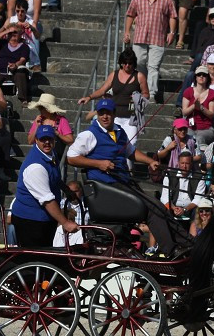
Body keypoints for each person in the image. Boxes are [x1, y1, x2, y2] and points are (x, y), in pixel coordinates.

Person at [66, 98, 188, 256]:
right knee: (151, 209)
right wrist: (98, 164)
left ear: (114, 114)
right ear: (97, 114)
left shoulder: (118, 131)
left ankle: (186, 242)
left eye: (108, 113)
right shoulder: (89, 135)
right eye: (101, 113)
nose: (105, 117)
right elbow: (71, 157)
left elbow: (130, 152)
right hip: (107, 188)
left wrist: (150, 161)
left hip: (123, 184)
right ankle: (171, 250)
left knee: (159, 206)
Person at [11, 124, 77, 246]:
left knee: (45, 254)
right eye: (42, 139)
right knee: (35, 258)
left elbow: (54, 177)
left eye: (50, 139)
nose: (47, 142)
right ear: (36, 140)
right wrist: (65, 223)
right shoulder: (35, 167)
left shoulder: (51, 155)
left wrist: (66, 190)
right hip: (31, 220)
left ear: (54, 140)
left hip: (44, 218)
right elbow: (47, 200)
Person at [123, 0, 176, 102]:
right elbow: (130, 14)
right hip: (140, 36)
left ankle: (151, 94)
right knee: (139, 63)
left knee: (153, 66)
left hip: (158, 38)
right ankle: (142, 88)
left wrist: (172, 32)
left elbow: (173, 16)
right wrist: (127, 31)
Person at [77, 49, 148, 145]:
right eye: (125, 63)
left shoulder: (139, 76)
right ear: (121, 63)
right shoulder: (114, 74)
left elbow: (146, 94)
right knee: (112, 143)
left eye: (130, 63)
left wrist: (138, 97)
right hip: (114, 116)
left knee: (131, 143)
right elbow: (102, 90)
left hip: (131, 118)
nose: (127, 65)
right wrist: (89, 97)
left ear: (134, 63)